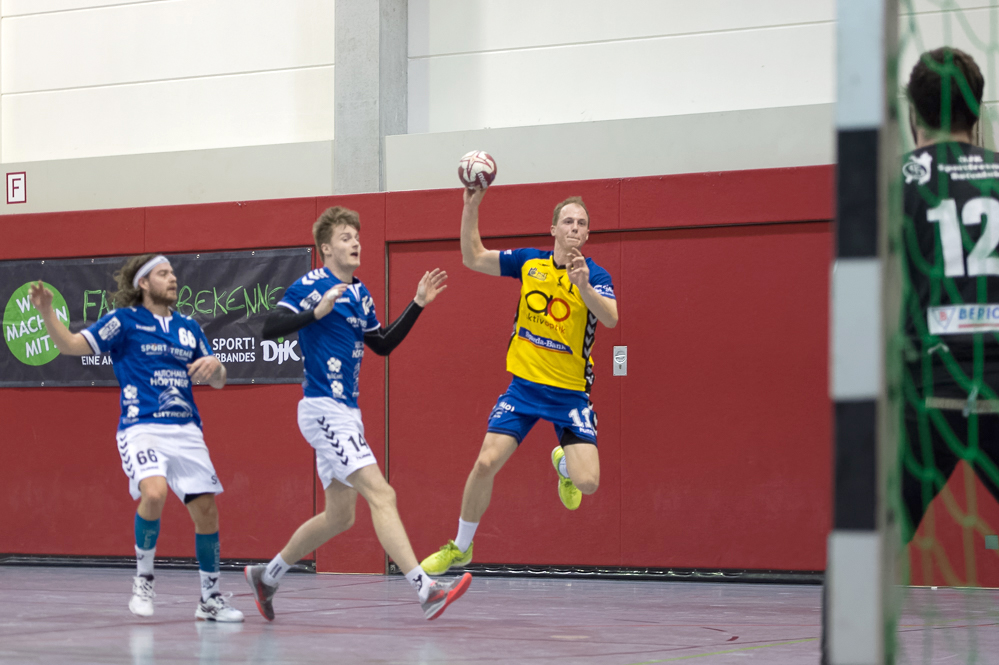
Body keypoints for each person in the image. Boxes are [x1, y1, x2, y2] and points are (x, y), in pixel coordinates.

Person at [244, 206, 471, 621]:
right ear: (326, 248)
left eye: (357, 237)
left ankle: (267, 576)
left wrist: (417, 304)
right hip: (323, 408)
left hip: (348, 411)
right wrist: (316, 313)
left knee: (340, 517)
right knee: (383, 494)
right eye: (346, 237)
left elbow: (381, 344)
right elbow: (270, 326)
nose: (355, 243)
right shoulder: (312, 284)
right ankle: (426, 590)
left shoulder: (361, 293)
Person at [30, 255, 244, 622]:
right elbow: (70, 345)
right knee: (154, 492)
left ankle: (210, 599)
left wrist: (216, 367)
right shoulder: (124, 321)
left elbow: (219, 380)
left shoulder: (189, 327)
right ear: (143, 283)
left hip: (186, 429)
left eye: (173, 273)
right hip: (141, 427)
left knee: (207, 511)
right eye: (163, 273)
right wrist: (47, 313)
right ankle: (143, 580)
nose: (172, 278)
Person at [420, 188, 618, 575]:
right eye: (568, 221)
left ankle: (564, 466)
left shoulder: (595, 275)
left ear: (587, 234)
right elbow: (472, 256)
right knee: (484, 463)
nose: (574, 227)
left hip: (570, 394)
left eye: (581, 223)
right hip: (524, 387)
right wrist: (471, 205)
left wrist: (583, 286)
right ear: (553, 229)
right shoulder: (529, 262)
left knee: (589, 483)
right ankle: (460, 547)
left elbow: (610, 318)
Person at [900, 47, 999, 551]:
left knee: (866, 546)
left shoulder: (893, 185)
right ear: (976, 113)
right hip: (997, 378)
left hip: (926, 388)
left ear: (913, 115)